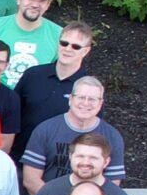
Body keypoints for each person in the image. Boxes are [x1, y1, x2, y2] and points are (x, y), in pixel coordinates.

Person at [11, 20, 98, 160]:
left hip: (60, 165)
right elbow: (12, 115)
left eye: (75, 46)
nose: (68, 49)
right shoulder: (33, 75)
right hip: (19, 156)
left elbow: (92, 131)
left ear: (86, 50)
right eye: (64, 43)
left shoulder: (89, 88)